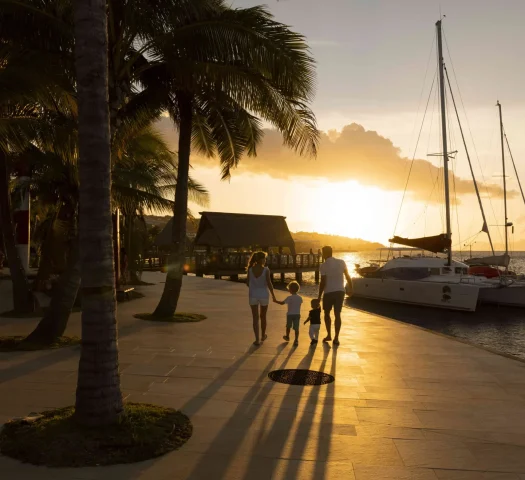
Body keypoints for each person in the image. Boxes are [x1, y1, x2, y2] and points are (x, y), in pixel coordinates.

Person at [317, 245, 352, 345]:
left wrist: (319, 296)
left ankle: (329, 335)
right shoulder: (341, 262)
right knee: (337, 314)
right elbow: (347, 275)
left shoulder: (323, 266)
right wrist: (351, 287)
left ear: (325, 254)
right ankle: (336, 338)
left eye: (323, 253)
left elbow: (322, 282)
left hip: (328, 292)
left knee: (327, 314)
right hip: (340, 292)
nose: (322, 255)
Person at [246, 251, 276, 345]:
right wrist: (273, 295)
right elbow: (269, 283)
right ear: (261, 259)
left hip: (253, 295)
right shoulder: (266, 270)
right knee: (263, 316)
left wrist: (254, 285)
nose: (265, 260)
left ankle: (257, 339)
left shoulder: (250, 269)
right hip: (263, 295)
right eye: (264, 258)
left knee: (255, 318)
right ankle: (263, 335)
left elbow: (247, 283)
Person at [274, 281, 303, 346]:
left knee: (288, 326)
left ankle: (287, 336)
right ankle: (296, 340)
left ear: (290, 290)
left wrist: (275, 301)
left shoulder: (289, 298)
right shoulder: (300, 298)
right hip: (297, 314)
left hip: (290, 314)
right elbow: (299, 305)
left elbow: (282, 303)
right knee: (296, 328)